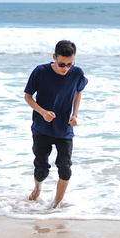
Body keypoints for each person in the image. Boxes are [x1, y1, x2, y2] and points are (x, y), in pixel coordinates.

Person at [23, 40, 88, 209]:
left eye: (69, 64)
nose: (65, 69)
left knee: (65, 168)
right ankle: (37, 188)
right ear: (54, 57)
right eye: (61, 64)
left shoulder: (77, 73)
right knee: (41, 168)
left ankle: (55, 206)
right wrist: (43, 112)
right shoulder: (40, 72)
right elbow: (28, 97)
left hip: (64, 128)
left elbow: (78, 91)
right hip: (41, 128)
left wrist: (75, 114)